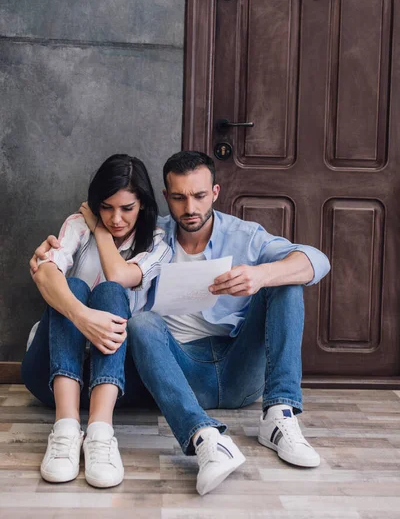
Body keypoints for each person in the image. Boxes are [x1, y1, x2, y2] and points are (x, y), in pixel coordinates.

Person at [30, 150, 330, 496]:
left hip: (239, 365)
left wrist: (261, 274)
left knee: (287, 281)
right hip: (179, 369)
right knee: (141, 323)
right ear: (164, 197)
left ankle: (279, 415)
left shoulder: (244, 236)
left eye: (200, 196)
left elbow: (316, 260)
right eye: (179, 197)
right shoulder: (155, 234)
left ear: (215, 192)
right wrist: (54, 266)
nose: (190, 208)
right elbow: (106, 274)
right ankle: (204, 438)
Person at [23, 154, 171, 489]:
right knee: (71, 286)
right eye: (106, 208)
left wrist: (100, 228)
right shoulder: (77, 223)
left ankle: (101, 434)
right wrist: (81, 316)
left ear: (143, 205)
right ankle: (64, 429)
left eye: (127, 209)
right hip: (48, 373)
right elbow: (45, 273)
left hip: (113, 382)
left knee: (110, 292)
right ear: (95, 203)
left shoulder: (157, 243)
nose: (116, 218)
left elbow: (120, 275)